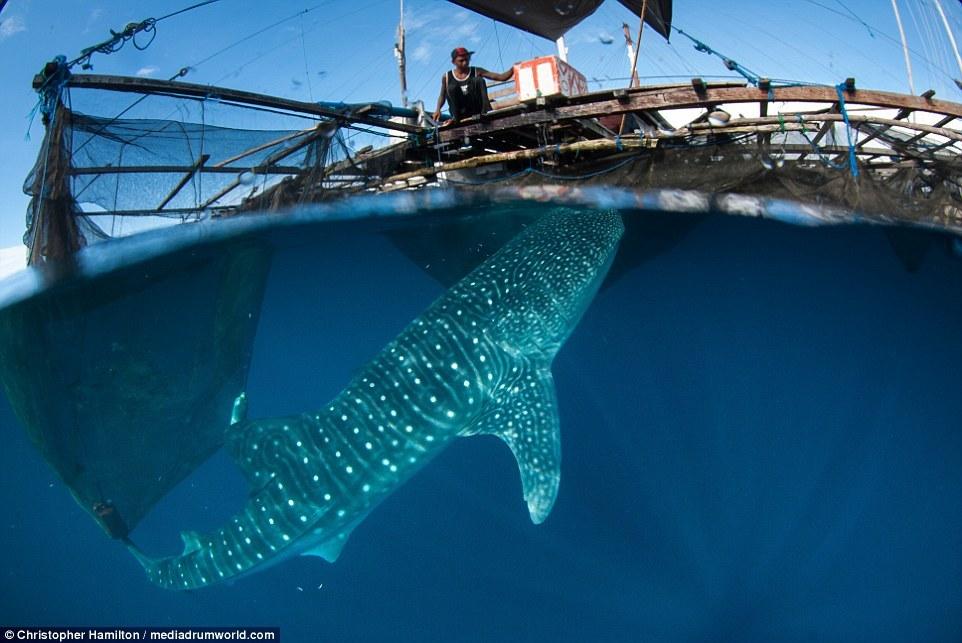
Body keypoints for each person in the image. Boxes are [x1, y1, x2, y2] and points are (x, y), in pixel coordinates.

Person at [432, 47, 514, 125]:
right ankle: (456, 118)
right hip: (459, 112)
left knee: (479, 80)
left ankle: (484, 113)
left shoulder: (476, 71)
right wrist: (438, 109)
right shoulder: (446, 77)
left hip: (475, 110)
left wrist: (512, 69)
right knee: (452, 87)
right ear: (453, 62)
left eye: (467, 60)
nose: (465, 63)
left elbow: (502, 77)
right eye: (461, 61)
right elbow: (442, 95)